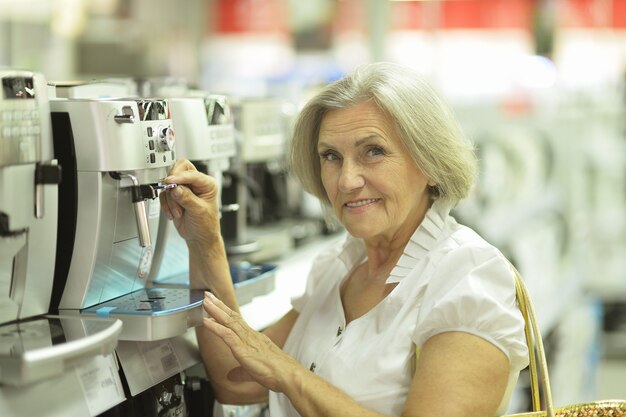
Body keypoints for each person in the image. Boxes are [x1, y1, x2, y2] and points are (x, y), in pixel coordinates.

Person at [159, 62, 529, 417]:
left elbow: (277, 371)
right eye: (331, 156)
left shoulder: (468, 278)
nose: (347, 180)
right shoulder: (339, 267)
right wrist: (205, 241)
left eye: (374, 151)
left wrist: (290, 375)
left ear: (430, 163)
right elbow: (237, 382)